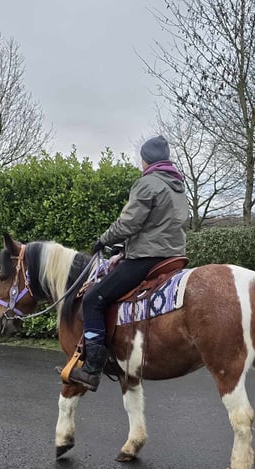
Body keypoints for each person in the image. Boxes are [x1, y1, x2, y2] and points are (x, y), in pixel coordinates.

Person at [68, 135, 188, 390]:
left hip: (146, 258)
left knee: (93, 299)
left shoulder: (147, 184)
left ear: (146, 161)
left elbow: (129, 223)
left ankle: (92, 368)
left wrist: (104, 239)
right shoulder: (178, 185)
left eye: (142, 160)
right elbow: (157, 226)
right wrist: (124, 247)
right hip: (172, 257)